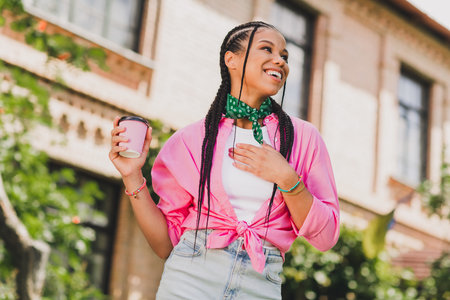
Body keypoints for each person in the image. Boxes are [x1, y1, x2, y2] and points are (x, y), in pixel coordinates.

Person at [109, 21, 339, 300]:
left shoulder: (303, 138)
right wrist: (132, 175)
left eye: (285, 56)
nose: (279, 60)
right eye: (267, 49)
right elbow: (164, 244)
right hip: (189, 278)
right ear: (231, 59)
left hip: (260, 283)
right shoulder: (191, 140)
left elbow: (326, 237)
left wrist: (287, 179)